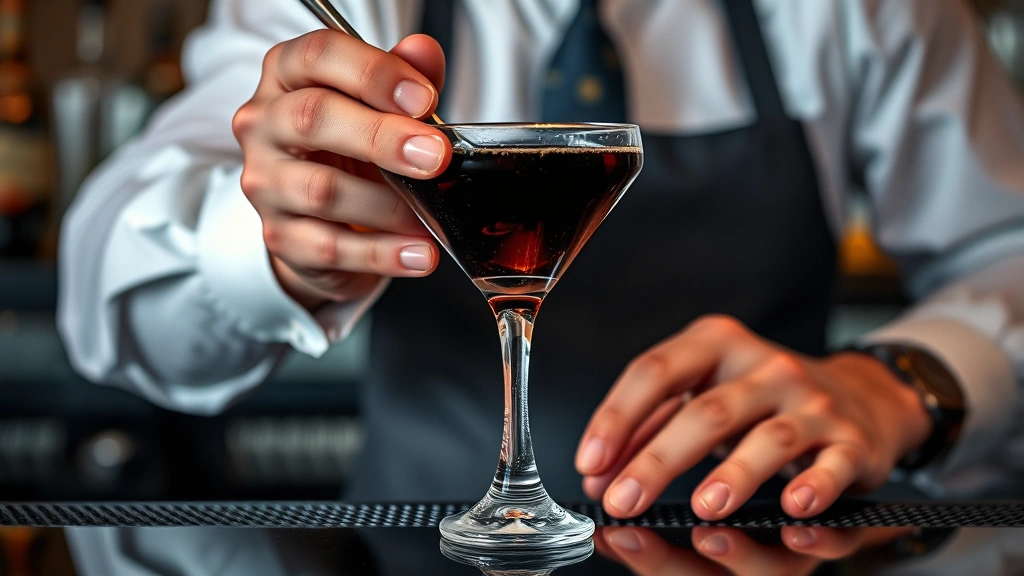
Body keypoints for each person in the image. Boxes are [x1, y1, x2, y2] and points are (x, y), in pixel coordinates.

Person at [59, 0, 1024, 522]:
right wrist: (278, 243)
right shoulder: (346, 9)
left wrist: (901, 385)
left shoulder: (869, 11)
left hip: (766, 541)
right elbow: (105, 295)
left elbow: (1008, 246)